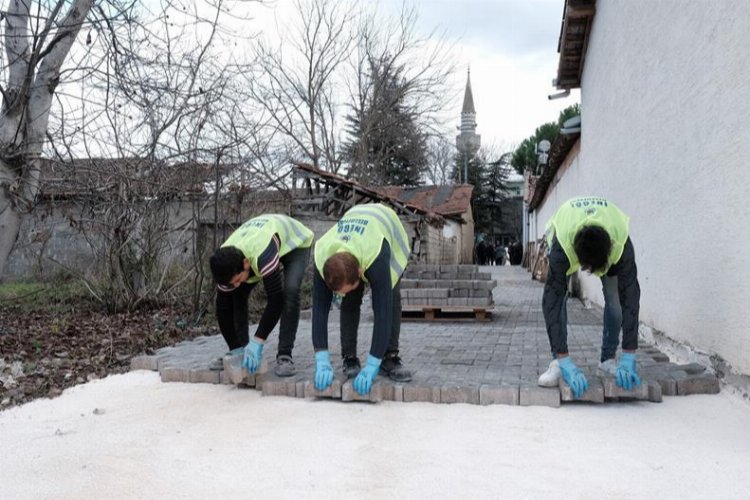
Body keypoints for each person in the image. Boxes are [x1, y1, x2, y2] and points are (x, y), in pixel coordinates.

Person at [537, 196, 641, 398]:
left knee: (616, 299)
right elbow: (550, 302)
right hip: (568, 236)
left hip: (608, 242)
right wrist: (563, 357)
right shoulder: (563, 247)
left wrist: (630, 353)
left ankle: (608, 360)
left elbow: (631, 297)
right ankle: (559, 362)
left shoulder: (620, 241)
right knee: (559, 301)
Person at [311, 203, 412, 396]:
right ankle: (349, 357)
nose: (340, 296)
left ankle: (389, 357)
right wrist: (321, 359)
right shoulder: (322, 255)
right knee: (350, 300)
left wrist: (372, 363)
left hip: (386, 230)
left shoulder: (376, 255)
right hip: (354, 227)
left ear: (360, 271)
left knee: (390, 298)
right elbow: (319, 310)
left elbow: (382, 312)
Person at [209, 214, 313, 377]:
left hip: (295, 244)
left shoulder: (262, 254)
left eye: (237, 279)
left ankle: (285, 355)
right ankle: (241, 351)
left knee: (290, 291)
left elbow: (276, 300)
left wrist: (258, 340)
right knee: (237, 295)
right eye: (231, 282)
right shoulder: (224, 264)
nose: (235, 284)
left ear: (245, 264)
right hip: (260, 243)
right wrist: (234, 346)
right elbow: (223, 309)